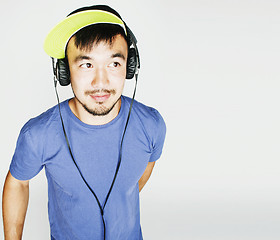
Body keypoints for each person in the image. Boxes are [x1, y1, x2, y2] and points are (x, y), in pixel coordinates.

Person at [2, 5, 166, 240]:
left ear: (130, 67)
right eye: (87, 64)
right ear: (65, 71)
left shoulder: (152, 125)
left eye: (114, 64)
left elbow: (142, 174)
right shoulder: (38, 134)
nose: (101, 81)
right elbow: (17, 183)